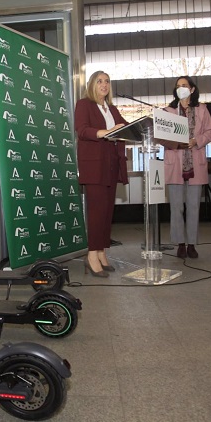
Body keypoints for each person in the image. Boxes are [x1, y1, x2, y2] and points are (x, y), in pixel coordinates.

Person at [75, 70, 128, 277]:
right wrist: (104, 132)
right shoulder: (84, 104)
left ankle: (102, 251)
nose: (104, 85)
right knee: (97, 213)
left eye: (107, 81)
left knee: (107, 213)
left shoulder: (112, 109)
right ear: (92, 85)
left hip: (111, 165)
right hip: (94, 166)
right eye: (99, 81)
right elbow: (81, 130)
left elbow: (125, 127)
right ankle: (91, 255)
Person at [160, 76, 211, 259]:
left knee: (193, 206)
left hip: (195, 162)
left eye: (184, 85)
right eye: (178, 86)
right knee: (176, 207)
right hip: (175, 162)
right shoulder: (168, 111)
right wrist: (175, 143)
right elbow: (160, 136)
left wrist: (196, 141)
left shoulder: (202, 109)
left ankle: (192, 243)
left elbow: (210, 131)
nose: (181, 88)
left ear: (192, 89)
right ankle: (180, 243)